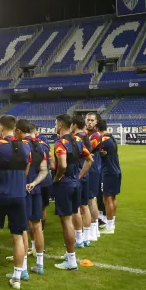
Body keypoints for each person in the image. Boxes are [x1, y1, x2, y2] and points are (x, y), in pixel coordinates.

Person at [0, 115, 31, 289]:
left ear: (1, 128)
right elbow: (26, 171)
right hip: (19, 195)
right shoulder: (26, 147)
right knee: (17, 236)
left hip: (0, 194)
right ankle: (17, 278)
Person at [53, 113, 91, 271]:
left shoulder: (60, 143)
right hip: (77, 183)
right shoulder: (78, 140)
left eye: (56, 124)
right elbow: (90, 160)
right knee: (75, 213)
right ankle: (71, 254)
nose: (55, 126)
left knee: (66, 221)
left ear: (60, 125)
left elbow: (61, 165)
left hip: (65, 184)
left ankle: (71, 260)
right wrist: (79, 176)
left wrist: (57, 179)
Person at [19, 119, 51, 275]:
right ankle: (40, 265)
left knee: (22, 228)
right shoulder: (43, 146)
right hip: (36, 189)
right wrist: (34, 183)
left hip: (20, 191)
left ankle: (23, 269)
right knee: (38, 226)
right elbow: (45, 170)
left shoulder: (19, 145)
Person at [71, 116, 94, 248]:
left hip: (78, 173)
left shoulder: (77, 138)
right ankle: (87, 237)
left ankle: (79, 238)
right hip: (86, 173)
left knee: (76, 208)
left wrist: (79, 175)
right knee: (85, 206)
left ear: (74, 125)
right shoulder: (86, 136)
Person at [97, 119, 121, 234]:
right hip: (116, 170)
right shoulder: (111, 138)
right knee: (113, 197)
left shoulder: (103, 140)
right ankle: (111, 224)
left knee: (107, 198)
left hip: (108, 172)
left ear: (97, 129)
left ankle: (110, 226)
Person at [83, 112, 103, 243]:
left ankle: (93, 231)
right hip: (89, 169)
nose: (89, 122)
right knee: (89, 199)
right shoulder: (87, 135)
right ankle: (94, 231)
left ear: (96, 122)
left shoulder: (95, 136)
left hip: (92, 170)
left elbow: (86, 149)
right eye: (88, 120)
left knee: (90, 199)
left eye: (92, 120)